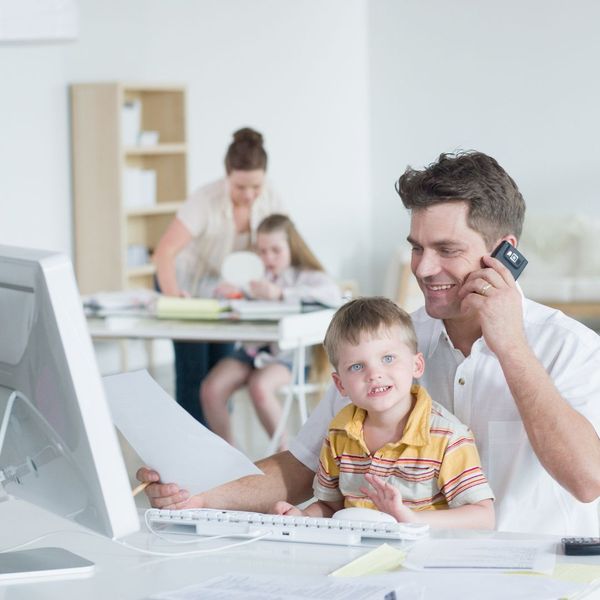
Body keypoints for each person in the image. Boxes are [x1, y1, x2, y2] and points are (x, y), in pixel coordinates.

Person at [138, 151, 600, 536]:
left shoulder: (570, 347)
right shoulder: (392, 344)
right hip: (414, 573)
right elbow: (302, 465)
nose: (421, 268)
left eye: (446, 249)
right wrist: (199, 495)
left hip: (535, 578)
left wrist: (511, 346)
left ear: (504, 251)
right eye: (417, 247)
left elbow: (587, 480)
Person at [271, 297, 495, 529]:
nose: (374, 374)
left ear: (416, 365)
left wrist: (410, 519)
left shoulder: (447, 437)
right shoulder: (339, 434)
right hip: (359, 555)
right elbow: (331, 507)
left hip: (425, 558)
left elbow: (483, 518)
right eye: (357, 367)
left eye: (388, 358)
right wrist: (303, 517)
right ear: (340, 385)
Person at [152, 127, 284, 426]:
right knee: (193, 372)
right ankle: (192, 453)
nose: (249, 195)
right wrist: (176, 300)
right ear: (227, 176)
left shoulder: (271, 196)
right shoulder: (205, 200)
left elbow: (285, 246)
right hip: (183, 285)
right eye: (240, 187)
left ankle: (221, 453)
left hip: (222, 292)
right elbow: (164, 253)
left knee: (220, 374)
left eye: (256, 186)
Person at [201, 214, 341, 449]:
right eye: (262, 251)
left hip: (288, 358)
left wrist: (280, 294)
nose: (268, 258)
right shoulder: (254, 277)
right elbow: (231, 295)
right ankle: (230, 453)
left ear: (292, 247)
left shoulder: (308, 278)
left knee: (260, 386)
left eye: (276, 250)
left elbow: (332, 295)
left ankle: (285, 451)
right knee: (211, 389)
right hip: (252, 352)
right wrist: (231, 294)